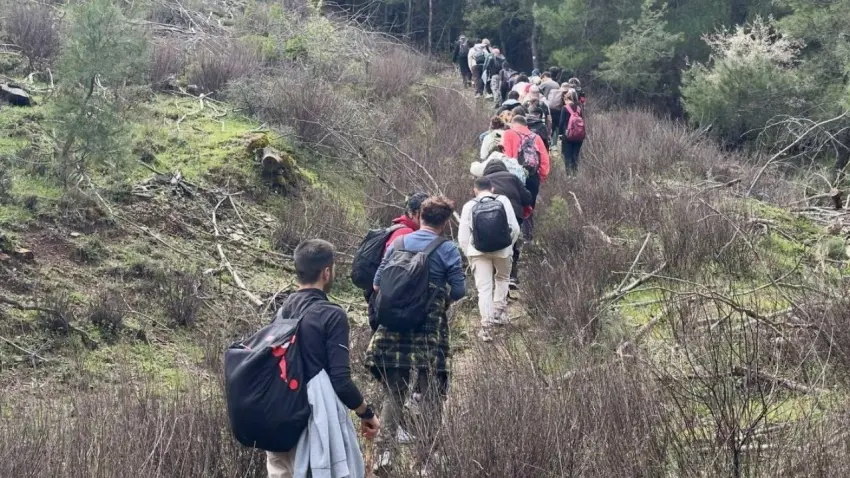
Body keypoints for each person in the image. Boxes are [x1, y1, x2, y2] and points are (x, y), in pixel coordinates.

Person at [367, 196, 466, 474]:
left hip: (393, 330)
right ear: (446, 223)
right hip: (428, 332)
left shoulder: (398, 244)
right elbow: (459, 291)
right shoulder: (447, 249)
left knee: (394, 392)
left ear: (420, 215)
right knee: (432, 391)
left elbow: (377, 285)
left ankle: (384, 455)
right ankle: (427, 459)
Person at [267, 239, 380, 478]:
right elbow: (340, 380)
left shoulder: (282, 311)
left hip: (278, 420)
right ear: (326, 272)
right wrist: (366, 413)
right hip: (311, 423)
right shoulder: (331, 314)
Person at [458, 177, 520, 342]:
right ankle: (498, 314)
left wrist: (469, 253)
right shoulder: (503, 200)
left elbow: (463, 236)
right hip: (503, 250)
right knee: (502, 278)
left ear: (475, 190)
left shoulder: (469, 206)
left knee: (484, 289)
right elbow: (514, 228)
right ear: (492, 189)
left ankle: (486, 327)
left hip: (477, 252)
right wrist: (508, 246)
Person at [365, 193, 430, 331]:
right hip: (388, 299)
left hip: (384, 296)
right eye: (422, 214)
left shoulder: (401, 228)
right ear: (412, 213)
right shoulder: (404, 233)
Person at [502, 114, 550, 251]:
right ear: (526, 125)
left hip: (513, 178)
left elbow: (508, 156)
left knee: (512, 209)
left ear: (513, 123)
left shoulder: (508, 134)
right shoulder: (536, 137)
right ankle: (528, 239)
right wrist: (539, 177)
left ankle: (513, 242)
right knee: (529, 208)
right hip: (532, 177)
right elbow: (545, 161)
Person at [559, 88, 585, 174]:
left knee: (567, 155)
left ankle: (568, 174)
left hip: (568, 135)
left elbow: (562, 122)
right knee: (575, 155)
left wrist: (560, 134)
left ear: (567, 98)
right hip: (579, 135)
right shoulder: (579, 108)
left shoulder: (565, 108)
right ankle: (575, 173)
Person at [547, 82, 570, 148]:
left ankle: (549, 144)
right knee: (559, 128)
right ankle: (555, 145)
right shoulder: (564, 93)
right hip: (559, 112)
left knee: (552, 128)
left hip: (551, 111)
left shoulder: (554, 91)